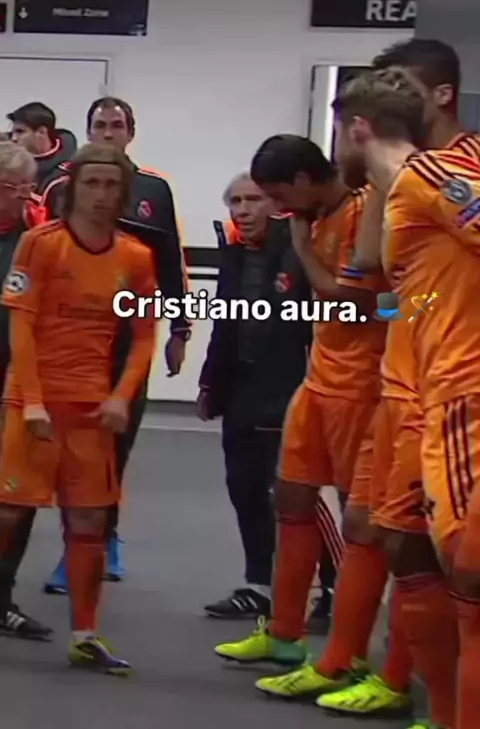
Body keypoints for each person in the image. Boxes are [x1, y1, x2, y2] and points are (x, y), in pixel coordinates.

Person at [248, 40, 470, 729]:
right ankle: (381, 677)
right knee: (395, 545)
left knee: (461, 569)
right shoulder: (397, 187)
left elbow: (363, 300)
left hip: (449, 397)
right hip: (400, 389)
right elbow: (382, 281)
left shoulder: (446, 173)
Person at [331, 65, 480, 729]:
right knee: (411, 550)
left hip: (465, 394)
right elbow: (403, 290)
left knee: (470, 576)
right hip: (425, 389)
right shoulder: (402, 193)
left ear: (357, 128)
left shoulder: (431, 175)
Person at [214, 135, 386, 669]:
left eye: (277, 194)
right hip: (319, 377)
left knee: (358, 521)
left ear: (305, 181)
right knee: (290, 497)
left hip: (361, 383)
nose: (275, 206)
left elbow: (352, 302)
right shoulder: (315, 216)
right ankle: (283, 633)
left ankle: (348, 655)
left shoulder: (363, 212)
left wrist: (304, 248)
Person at [0, 142, 157, 672]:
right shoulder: (41, 244)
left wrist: (120, 396)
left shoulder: (136, 257)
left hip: (91, 408)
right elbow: (21, 324)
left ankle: (85, 635)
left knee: (90, 519)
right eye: (91, 183)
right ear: (73, 188)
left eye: (111, 185)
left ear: (124, 192)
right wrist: (32, 401)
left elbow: (143, 337)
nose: (101, 194)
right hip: (34, 403)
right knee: (8, 512)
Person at [42, 96, 190, 590]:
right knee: (68, 449)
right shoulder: (60, 186)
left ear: (131, 133)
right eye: (100, 124)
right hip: (70, 339)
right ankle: (75, 544)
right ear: (88, 131)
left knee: (115, 443)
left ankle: (104, 539)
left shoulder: (154, 190)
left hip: (128, 339)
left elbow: (170, 263)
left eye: (117, 125)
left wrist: (180, 331)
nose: (108, 132)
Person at [198, 172, 340, 628]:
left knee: (296, 495)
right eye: (236, 201)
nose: (243, 210)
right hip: (241, 389)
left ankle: (332, 589)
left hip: (290, 389)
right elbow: (224, 322)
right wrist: (209, 384)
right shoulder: (235, 254)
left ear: (276, 205)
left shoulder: (299, 250)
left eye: (253, 200)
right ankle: (258, 584)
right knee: (243, 488)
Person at [0, 142, 52, 641]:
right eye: (12, 188)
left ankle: (2, 598)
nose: (23, 196)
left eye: (27, 188)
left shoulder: (37, 241)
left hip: (19, 385)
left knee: (16, 499)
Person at [8, 102, 77, 191]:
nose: (13, 138)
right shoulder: (7, 160)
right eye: (12, 133)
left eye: (20, 132)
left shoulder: (71, 171)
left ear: (42, 132)